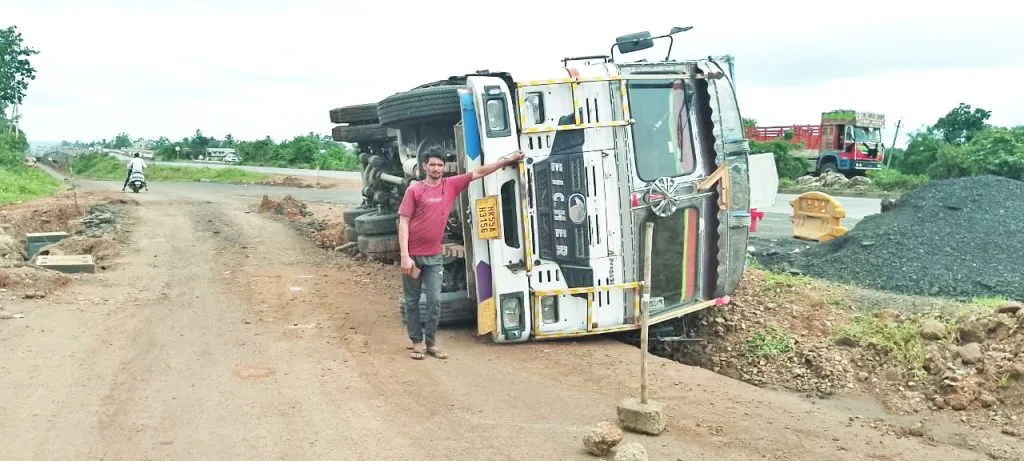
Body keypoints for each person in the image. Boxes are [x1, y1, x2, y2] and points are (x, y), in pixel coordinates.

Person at [398, 145, 524, 360]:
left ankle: (431, 343)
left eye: (439, 165)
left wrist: (507, 161)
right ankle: (417, 342)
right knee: (412, 301)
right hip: (413, 257)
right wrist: (404, 255)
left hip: (434, 256)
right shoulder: (415, 190)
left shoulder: (451, 185)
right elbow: (403, 221)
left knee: (435, 301)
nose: (436, 168)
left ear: (444, 167)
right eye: (432, 165)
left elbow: (479, 172)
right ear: (424, 166)